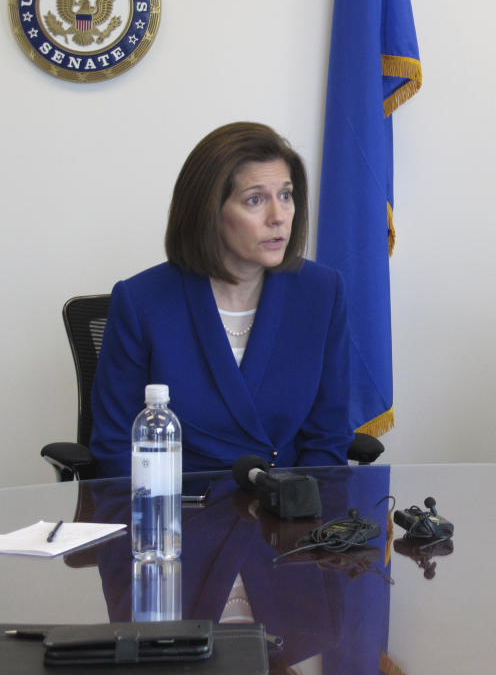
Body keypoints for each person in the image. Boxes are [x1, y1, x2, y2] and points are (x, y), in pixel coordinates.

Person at [90, 122, 353, 477]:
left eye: (286, 195)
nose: (278, 217)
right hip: (182, 511)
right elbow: (116, 447)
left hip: (289, 508)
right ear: (209, 211)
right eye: (255, 200)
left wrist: (304, 515)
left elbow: (328, 437)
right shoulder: (141, 302)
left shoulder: (322, 292)